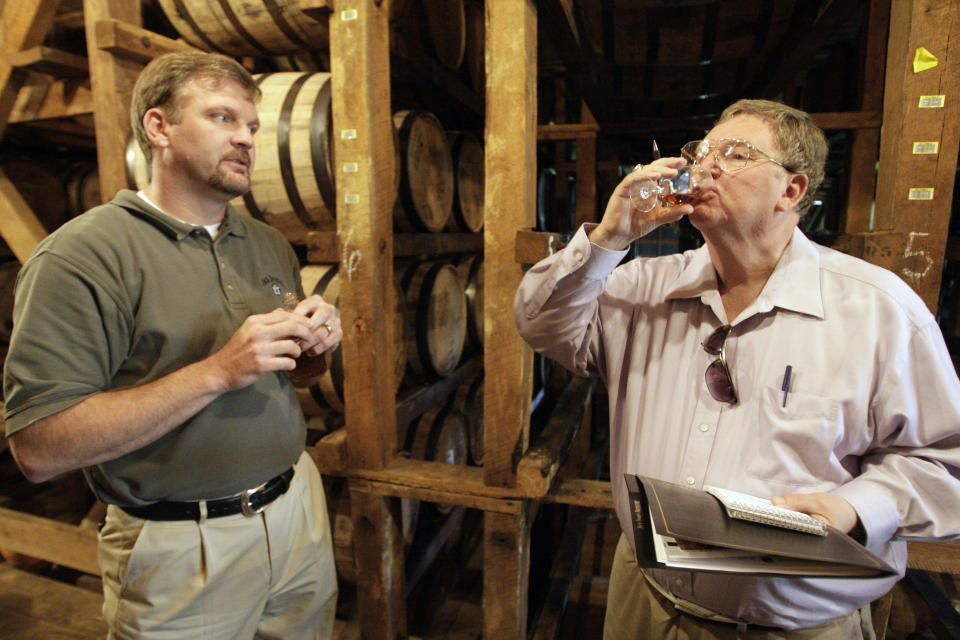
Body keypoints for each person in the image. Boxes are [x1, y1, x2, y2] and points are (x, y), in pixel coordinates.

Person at [514, 99, 960, 639]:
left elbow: (945, 463)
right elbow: (539, 323)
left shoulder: (878, 310)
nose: (707, 165)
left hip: (793, 629)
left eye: (737, 153)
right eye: (702, 152)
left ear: (791, 191)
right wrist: (609, 240)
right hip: (646, 605)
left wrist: (854, 509)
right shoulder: (643, 287)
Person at [3, 52, 340, 639]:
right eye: (222, 118)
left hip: (297, 511)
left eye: (252, 127)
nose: (247, 140)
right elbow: (39, 449)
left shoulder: (265, 244)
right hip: (184, 544)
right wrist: (218, 371)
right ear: (159, 128)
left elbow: (294, 378)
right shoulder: (81, 257)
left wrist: (314, 353)